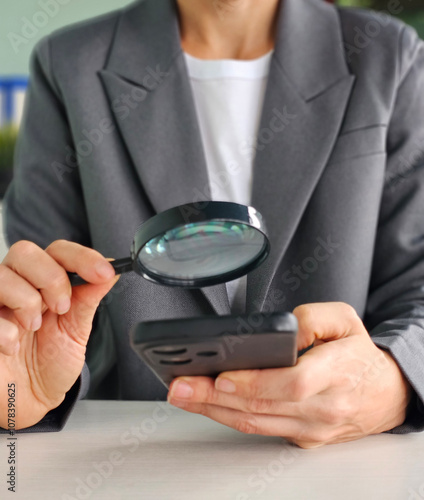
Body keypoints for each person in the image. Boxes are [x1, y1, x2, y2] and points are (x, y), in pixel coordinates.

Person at [0, 0, 423, 448]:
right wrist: (19, 391)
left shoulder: (389, 55)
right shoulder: (68, 62)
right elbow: (46, 310)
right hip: (133, 461)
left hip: (342, 467)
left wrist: (394, 380)